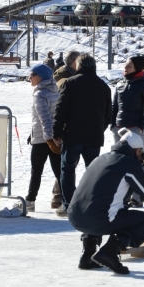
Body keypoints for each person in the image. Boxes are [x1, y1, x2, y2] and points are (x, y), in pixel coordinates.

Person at [68, 128, 144, 274]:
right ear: (136, 150)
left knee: (101, 205)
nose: (141, 157)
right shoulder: (128, 163)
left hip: (75, 217)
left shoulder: (101, 159)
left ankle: (87, 256)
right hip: (99, 220)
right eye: (141, 153)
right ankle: (110, 252)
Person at [52, 53, 112, 217]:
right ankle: (91, 203)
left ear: (78, 66)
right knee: (92, 172)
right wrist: (100, 128)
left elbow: (61, 110)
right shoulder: (103, 86)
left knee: (68, 170)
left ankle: (69, 205)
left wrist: (56, 132)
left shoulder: (71, 83)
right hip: (94, 137)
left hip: (72, 135)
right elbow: (109, 114)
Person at [25, 64, 61, 212]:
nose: (30, 78)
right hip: (54, 137)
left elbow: (44, 118)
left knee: (36, 171)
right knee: (59, 172)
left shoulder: (39, 94)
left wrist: (48, 138)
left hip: (43, 139)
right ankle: (67, 200)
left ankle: (30, 201)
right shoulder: (56, 91)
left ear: (40, 77)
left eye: (32, 75)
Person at [49, 50, 80, 208]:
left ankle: (59, 195)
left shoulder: (65, 75)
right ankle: (59, 196)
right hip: (65, 126)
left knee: (68, 163)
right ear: (74, 61)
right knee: (67, 164)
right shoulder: (63, 77)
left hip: (65, 125)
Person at [111, 55, 144, 147]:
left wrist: (140, 127)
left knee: (137, 159)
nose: (125, 67)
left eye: (129, 65)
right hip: (118, 129)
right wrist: (112, 125)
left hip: (134, 129)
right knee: (119, 159)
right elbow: (114, 107)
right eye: (125, 64)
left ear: (137, 68)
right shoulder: (120, 84)